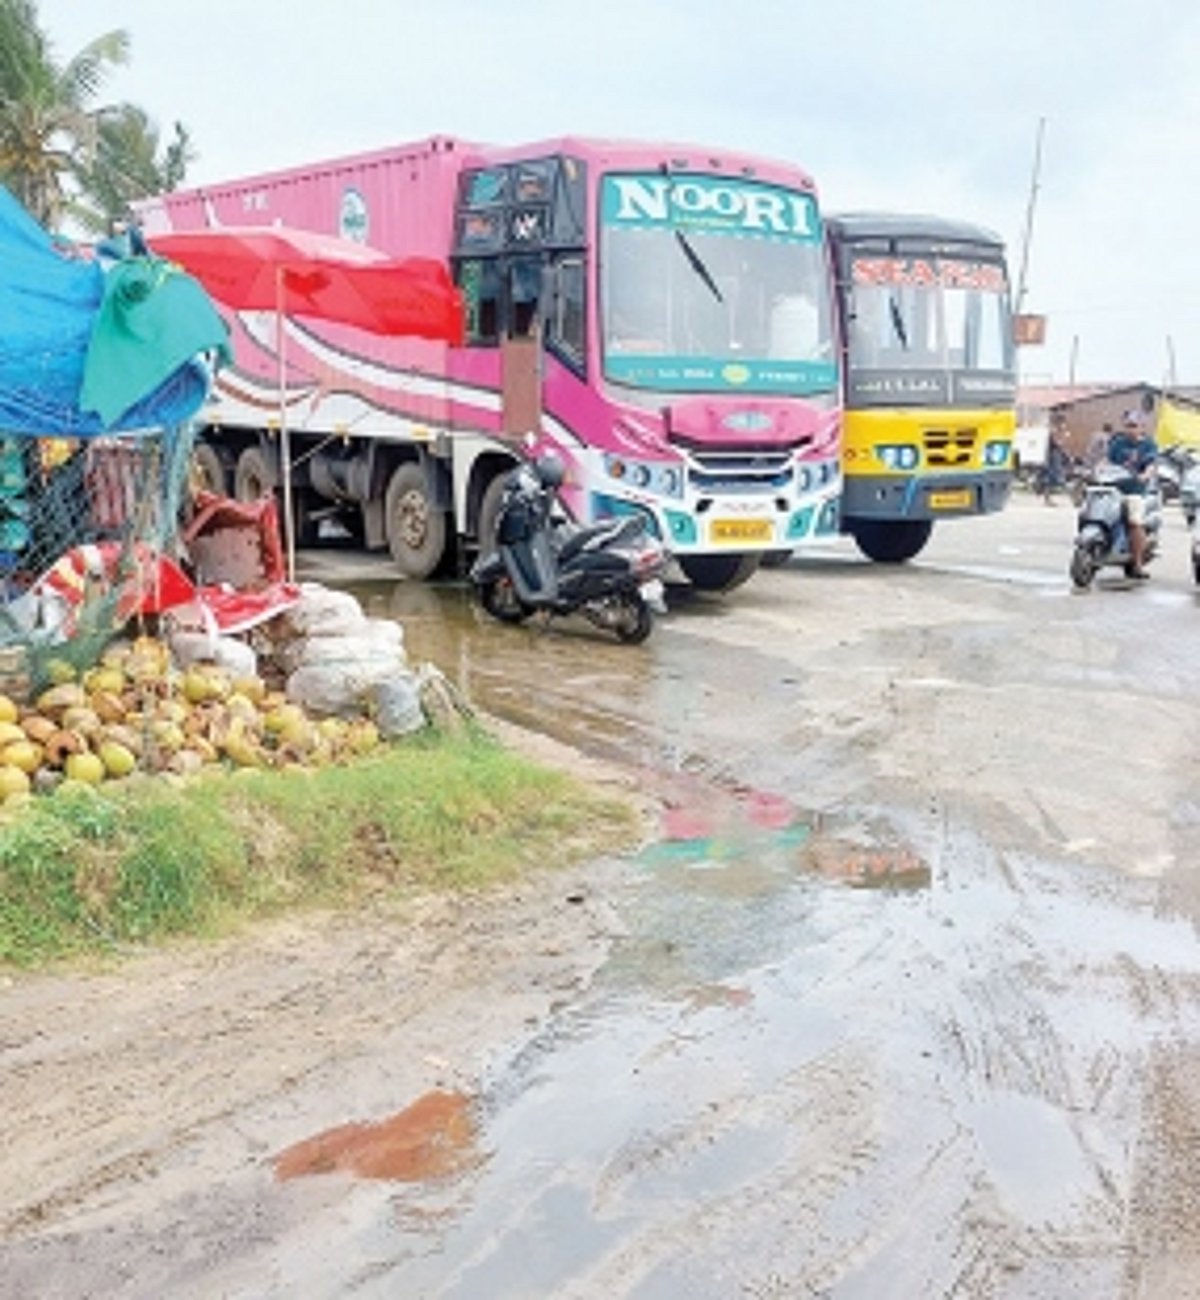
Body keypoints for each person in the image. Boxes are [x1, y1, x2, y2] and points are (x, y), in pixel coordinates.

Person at [1106, 413, 1158, 577]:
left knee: (1135, 522)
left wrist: (1145, 475)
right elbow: (1106, 462)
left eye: (1134, 426)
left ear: (1142, 427)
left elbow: (1151, 465)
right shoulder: (1117, 443)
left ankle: (1137, 564)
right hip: (1113, 489)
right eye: (1128, 425)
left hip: (1135, 490)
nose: (1130, 429)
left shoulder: (1148, 445)